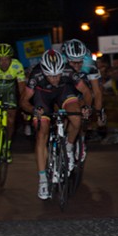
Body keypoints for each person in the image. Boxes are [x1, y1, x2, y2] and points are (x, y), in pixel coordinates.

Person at [20, 49, 92, 200]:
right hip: (42, 98)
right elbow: (24, 101)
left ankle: (69, 146)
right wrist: (33, 110)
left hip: (63, 93)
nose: (55, 79)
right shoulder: (36, 75)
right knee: (42, 133)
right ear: (44, 72)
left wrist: (86, 106)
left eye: (58, 74)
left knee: (76, 118)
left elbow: (86, 92)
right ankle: (42, 180)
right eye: (51, 76)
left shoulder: (68, 71)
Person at [61, 39, 106, 127]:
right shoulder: (61, 62)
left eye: (79, 62)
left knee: (93, 92)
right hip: (66, 84)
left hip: (84, 82)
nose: (77, 66)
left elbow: (97, 91)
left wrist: (98, 113)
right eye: (73, 62)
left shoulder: (89, 63)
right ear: (67, 59)